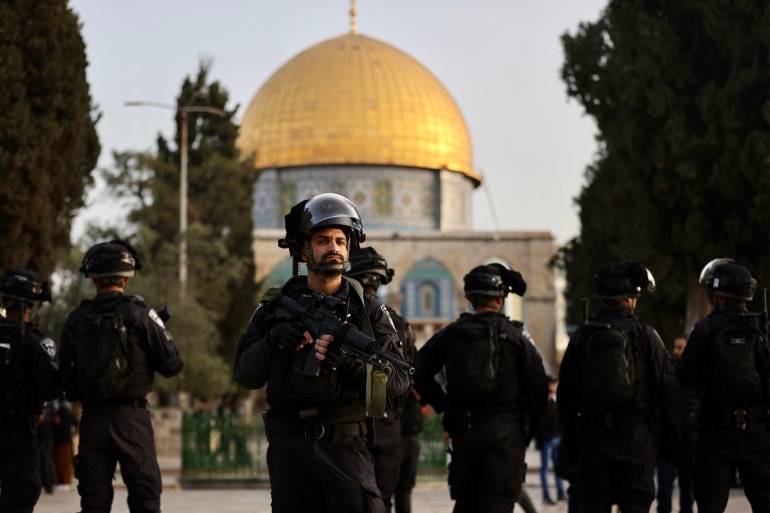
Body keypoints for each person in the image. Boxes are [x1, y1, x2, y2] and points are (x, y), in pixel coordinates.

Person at [232, 193, 410, 513]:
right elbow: (245, 374)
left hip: (346, 447)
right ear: (304, 251)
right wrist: (273, 340)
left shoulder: (369, 309)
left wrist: (348, 362)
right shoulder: (275, 306)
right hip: (290, 450)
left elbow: (398, 381)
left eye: (340, 241)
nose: (333, 248)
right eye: (323, 240)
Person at [59, 239, 184, 513]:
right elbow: (173, 365)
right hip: (132, 419)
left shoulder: (75, 319)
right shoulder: (141, 314)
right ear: (126, 278)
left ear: (93, 279)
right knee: (145, 500)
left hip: (92, 420)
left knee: (93, 503)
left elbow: (66, 381)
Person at [415, 263, 548, 513]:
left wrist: (445, 406)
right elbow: (538, 388)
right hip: (506, 436)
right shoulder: (517, 337)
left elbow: (418, 370)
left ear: (470, 299)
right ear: (500, 299)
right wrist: (525, 429)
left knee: (466, 505)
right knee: (497, 505)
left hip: (465, 433)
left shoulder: (452, 333)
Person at [557, 261, 678, 513]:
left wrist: (572, 444)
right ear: (631, 297)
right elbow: (668, 390)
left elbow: (565, 396)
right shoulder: (647, 336)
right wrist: (668, 440)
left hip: (593, 441)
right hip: (635, 442)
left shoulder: (582, 336)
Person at [676, 258, 770, 513]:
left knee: (710, 506)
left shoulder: (704, 329)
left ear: (719, 297)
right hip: (758, 432)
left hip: (715, 432)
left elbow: (685, 377)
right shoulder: (762, 327)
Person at [347, 246, 420, 513]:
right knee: (383, 498)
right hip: (388, 424)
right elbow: (410, 374)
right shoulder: (398, 323)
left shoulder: (341, 316)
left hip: (349, 423)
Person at [0, 266, 60, 512]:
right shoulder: (39, 343)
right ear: (33, 305)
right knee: (22, 493)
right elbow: (51, 390)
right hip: (20, 435)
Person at [656, 336, 697, 513]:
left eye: (680, 347)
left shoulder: (695, 374)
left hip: (688, 439)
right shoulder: (667, 372)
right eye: (675, 347)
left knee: (687, 488)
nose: (675, 351)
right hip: (668, 439)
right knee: (665, 488)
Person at [535, 376, 566, 505]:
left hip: (557, 438)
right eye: (552, 383)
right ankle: (546, 494)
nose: (554, 386)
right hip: (547, 440)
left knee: (558, 466)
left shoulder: (556, 400)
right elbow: (539, 423)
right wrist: (546, 436)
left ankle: (561, 492)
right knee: (545, 468)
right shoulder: (542, 402)